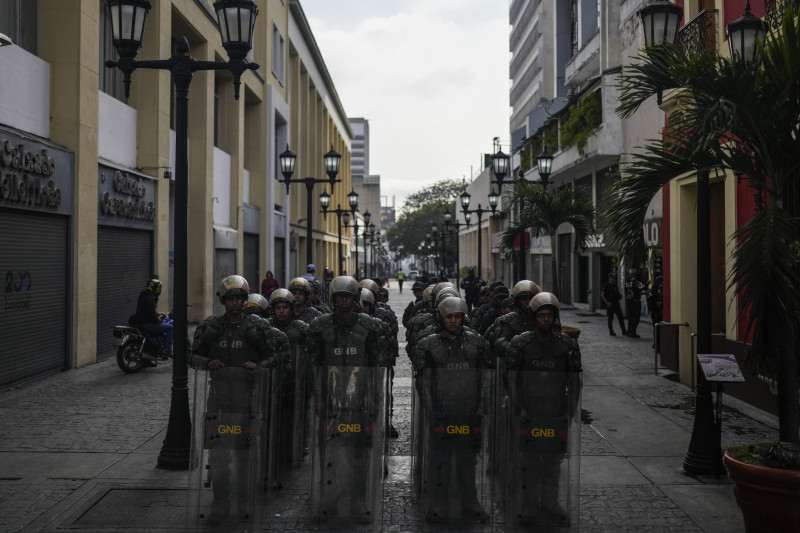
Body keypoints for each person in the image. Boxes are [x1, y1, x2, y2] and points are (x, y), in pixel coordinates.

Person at [189, 275, 285, 523]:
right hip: (218, 403)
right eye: (230, 299)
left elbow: (272, 358)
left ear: (244, 300)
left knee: (245, 456)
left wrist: (258, 365)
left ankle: (244, 502)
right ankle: (220, 504)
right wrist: (208, 362)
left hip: (248, 403)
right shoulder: (211, 326)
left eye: (239, 298)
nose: (234, 303)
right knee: (219, 458)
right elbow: (193, 358)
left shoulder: (257, 327)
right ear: (223, 300)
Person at [305, 276, 392, 523]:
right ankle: (328, 501)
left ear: (355, 300)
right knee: (329, 452)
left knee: (359, 454)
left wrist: (376, 398)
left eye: (348, 297)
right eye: (339, 297)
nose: (343, 301)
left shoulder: (370, 327)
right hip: (330, 400)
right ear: (333, 299)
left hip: (360, 401)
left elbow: (377, 365)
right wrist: (318, 397)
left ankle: (358, 501)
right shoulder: (320, 327)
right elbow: (314, 366)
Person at [506, 292, 582, 525]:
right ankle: (528, 505)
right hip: (529, 413)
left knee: (552, 463)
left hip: (555, 413)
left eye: (550, 315)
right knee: (528, 462)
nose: (546, 320)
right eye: (542, 315)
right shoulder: (520, 343)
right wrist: (519, 408)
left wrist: (570, 410)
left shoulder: (567, 345)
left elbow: (574, 381)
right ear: (534, 316)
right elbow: (512, 379)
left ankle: (550, 503)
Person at [413, 297, 490, 522]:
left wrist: (481, 407)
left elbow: (484, 379)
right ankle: (438, 502)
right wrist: (431, 410)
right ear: (440, 318)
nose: (454, 321)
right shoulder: (427, 344)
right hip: (442, 413)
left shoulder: (476, 342)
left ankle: (470, 502)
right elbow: (423, 382)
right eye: (449, 317)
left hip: (469, 413)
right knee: (441, 461)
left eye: (458, 317)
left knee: (467, 460)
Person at [268, 288, 312, 465]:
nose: (281, 311)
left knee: (294, 419)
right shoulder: (265, 327)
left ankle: (296, 449)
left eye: (284, 307)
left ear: (291, 308)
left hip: (295, 381)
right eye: (278, 307)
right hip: (272, 382)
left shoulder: (302, 329)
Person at [134, 278, 173, 359]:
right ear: (156, 288)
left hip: (140, 323)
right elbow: (153, 317)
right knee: (170, 328)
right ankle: (166, 350)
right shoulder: (150, 299)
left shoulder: (143, 296)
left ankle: (154, 349)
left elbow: (148, 312)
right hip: (147, 324)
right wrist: (159, 319)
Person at [624, 270, 645, 338]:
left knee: (630, 317)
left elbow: (625, 291)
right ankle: (632, 332)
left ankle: (629, 331)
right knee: (636, 317)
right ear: (634, 274)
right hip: (635, 301)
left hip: (629, 301)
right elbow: (641, 288)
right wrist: (647, 284)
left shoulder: (627, 281)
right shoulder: (635, 280)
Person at [647, 275, 664, 348]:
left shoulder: (653, 290)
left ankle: (657, 344)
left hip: (655, 312)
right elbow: (651, 302)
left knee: (657, 328)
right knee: (657, 328)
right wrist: (656, 310)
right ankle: (657, 344)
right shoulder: (655, 290)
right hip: (656, 312)